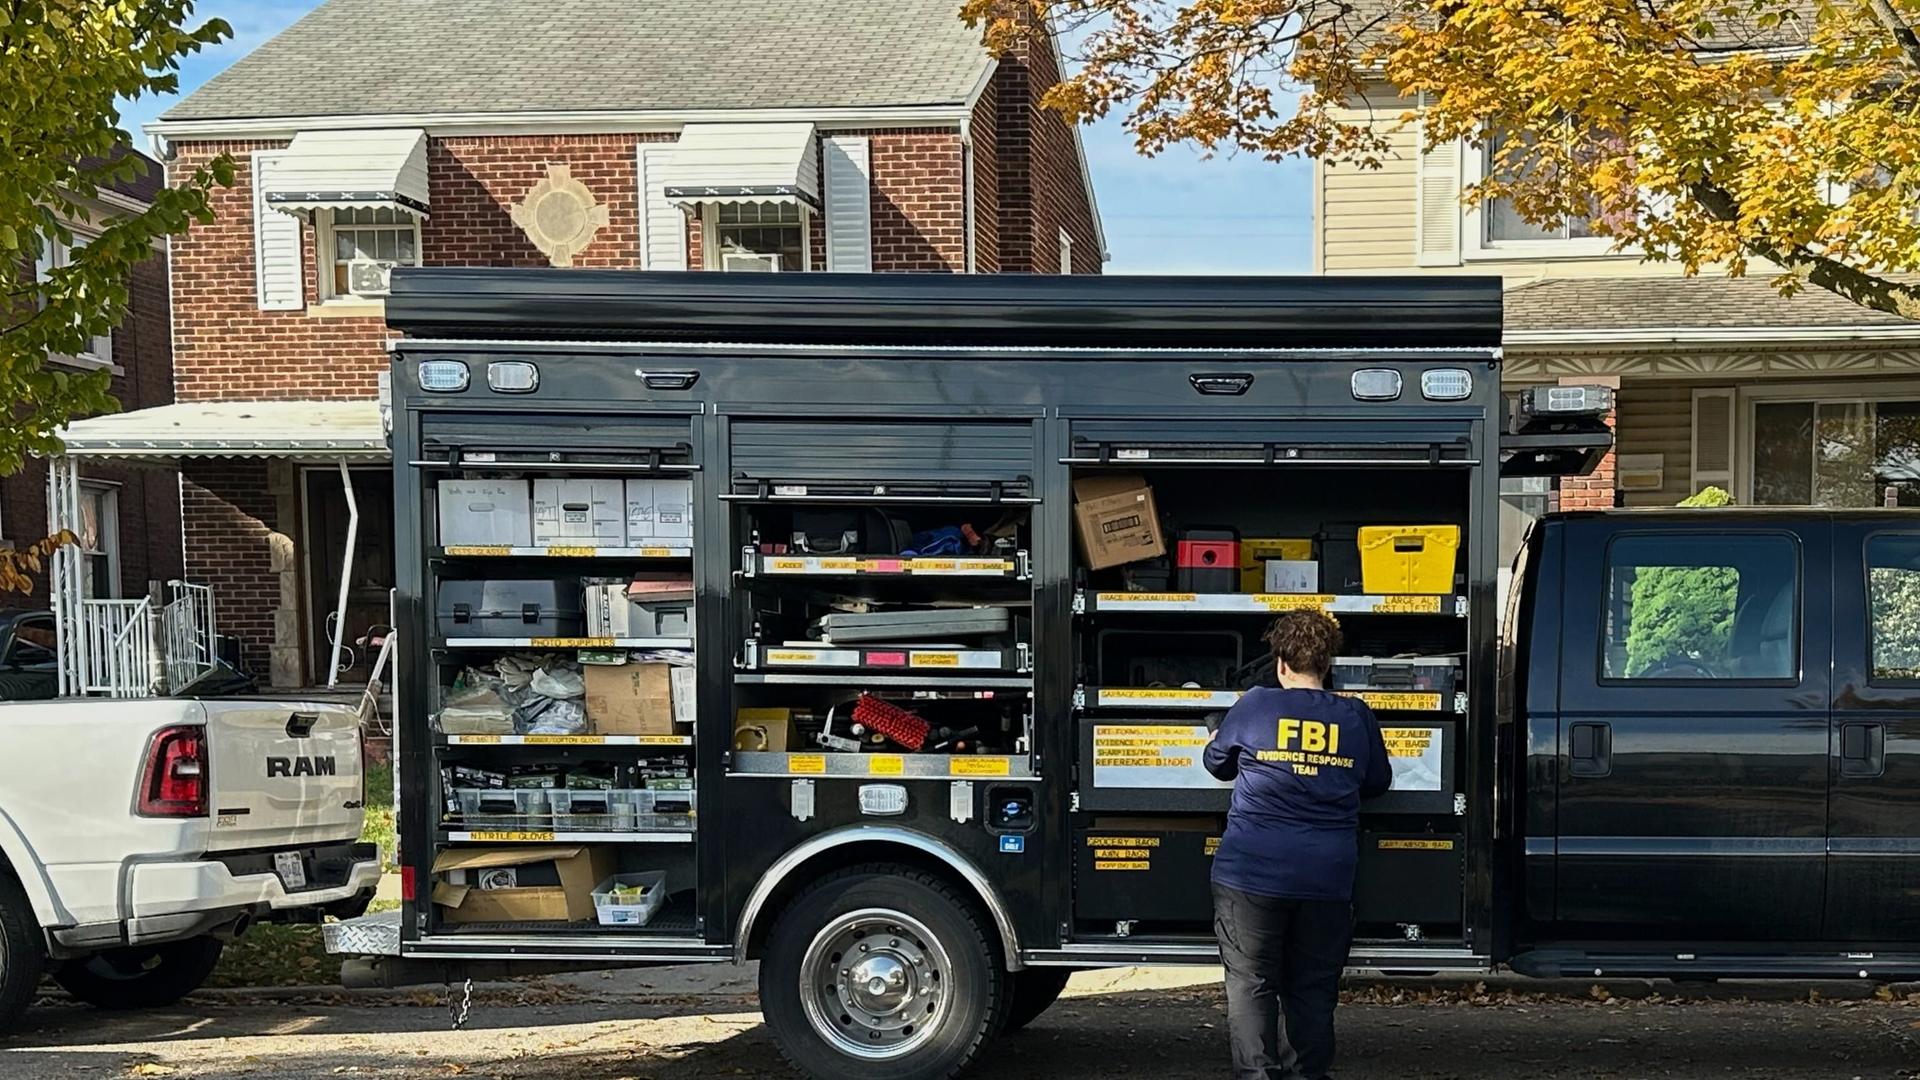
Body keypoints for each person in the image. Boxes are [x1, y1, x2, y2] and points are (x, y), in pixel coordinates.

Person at [1203, 610, 1392, 1080]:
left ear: (1281, 663)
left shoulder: (1255, 705)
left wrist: (1218, 736)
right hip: (1325, 879)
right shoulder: (1356, 715)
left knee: (1251, 985)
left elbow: (1217, 764)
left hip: (1250, 875)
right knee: (1312, 989)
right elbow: (1377, 781)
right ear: (1327, 665)